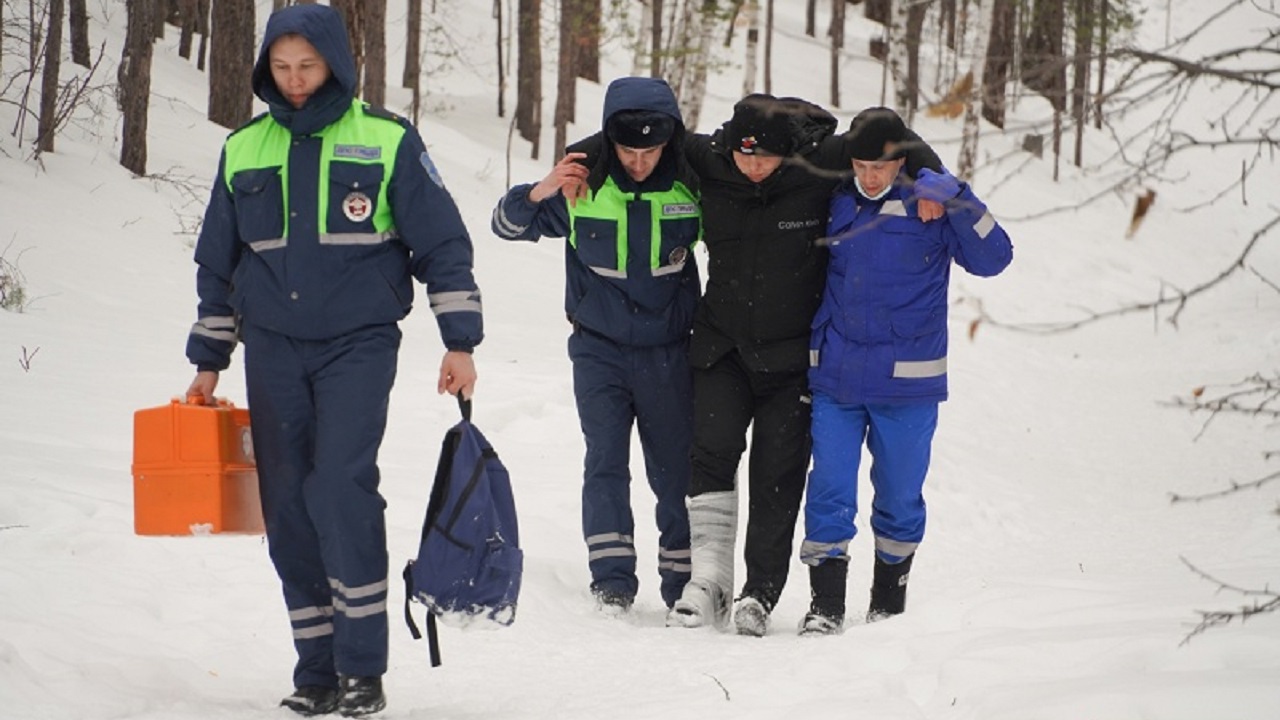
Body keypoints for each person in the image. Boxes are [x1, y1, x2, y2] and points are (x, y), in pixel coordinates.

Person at [184, 5, 482, 716]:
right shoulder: (244, 148)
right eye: (281, 68)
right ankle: (315, 669)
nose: (293, 81)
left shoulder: (385, 138)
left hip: (359, 341)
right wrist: (209, 359)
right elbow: (216, 263)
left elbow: (442, 243)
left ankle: (361, 669)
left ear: (335, 65)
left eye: (306, 67)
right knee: (286, 502)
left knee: (341, 487)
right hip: (274, 347)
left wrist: (460, 340)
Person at [572, 93, 943, 636]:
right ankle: (710, 581)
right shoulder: (710, 160)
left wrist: (932, 177)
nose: (752, 168)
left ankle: (758, 592)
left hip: (792, 358)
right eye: (744, 158)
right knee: (711, 457)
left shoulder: (818, 167)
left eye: (764, 159)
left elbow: (890, 138)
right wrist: (584, 157)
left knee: (778, 474)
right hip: (721, 348)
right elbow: (646, 133)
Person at [797, 107, 1013, 636]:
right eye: (862, 165)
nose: (871, 176)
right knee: (829, 489)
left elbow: (994, 258)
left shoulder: (930, 205)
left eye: (882, 166)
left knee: (898, 495)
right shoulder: (835, 202)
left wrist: (958, 198)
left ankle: (887, 604)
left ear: (901, 161)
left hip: (907, 385)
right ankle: (825, 606)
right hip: (837, 378)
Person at [490, 77, 699, 615]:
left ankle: (682, 585)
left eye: (649, 151)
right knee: (605, 462)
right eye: (627, 150)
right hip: (598, 351)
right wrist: (540, 188)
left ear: (668, 143)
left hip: (669, 352)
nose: (637, 161)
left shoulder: (691, 186)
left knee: (674, 469)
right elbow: (506, 226)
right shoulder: (582, 187)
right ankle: (611, 580)